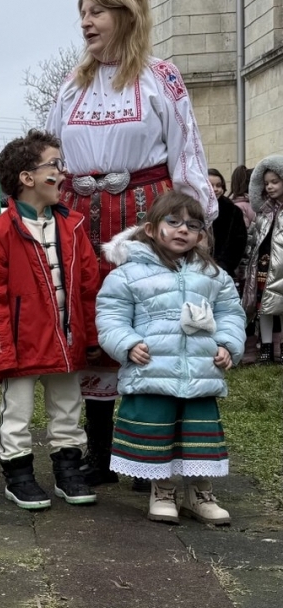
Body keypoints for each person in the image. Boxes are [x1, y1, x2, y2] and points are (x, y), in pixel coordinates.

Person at [46, 0, 216, 486]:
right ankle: (99, 454)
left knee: (151, 327)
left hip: (146, 218)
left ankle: (147, 452)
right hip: (81, 221)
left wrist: (195, 221)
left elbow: (188, 153)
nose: (86, 21)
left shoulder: (161, 76)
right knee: (94, 326)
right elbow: (53, 156)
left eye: (98, 10)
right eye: (82, 11)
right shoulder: (71, 85)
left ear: (128, 15)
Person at [96, 191, 244, 524]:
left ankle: (199, 492)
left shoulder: (212, 274)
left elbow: (231, 311)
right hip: (152, 370)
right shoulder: (127, 274)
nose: (182, 230)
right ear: (150, 228)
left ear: (201, 234)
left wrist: (227, 343)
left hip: (200, 371)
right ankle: (161, 489)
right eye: (173, 222)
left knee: (198, 437)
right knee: (157, 433)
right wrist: (127, 342)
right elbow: (110, 316)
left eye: (192, 225)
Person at [0, 131, 100, 510]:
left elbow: (89, 289)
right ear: (27, 178)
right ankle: (18, 474)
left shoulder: (74, 228)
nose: (62, 173)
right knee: (18, 412)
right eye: (54, 165)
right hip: (20, 343)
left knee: (68, 408)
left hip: (67, 339)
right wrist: (1, 351)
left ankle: (68, 470)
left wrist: (90, 337)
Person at [241, 155, 283, 364]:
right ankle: (265, 348)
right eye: (266, 183)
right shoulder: (263, 212)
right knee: (264, 307)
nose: (270, 187)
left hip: (281, 269)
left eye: (275, 182)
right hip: (264, 265)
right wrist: (246, 264)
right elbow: (253, 238)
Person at [207, 168, 248, 279]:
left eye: (219, 185)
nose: (215, 189)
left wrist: (223, 265)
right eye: (210, 185)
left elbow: (239, 242)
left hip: (222, 272)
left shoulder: (233, 211)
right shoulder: (192, 208)